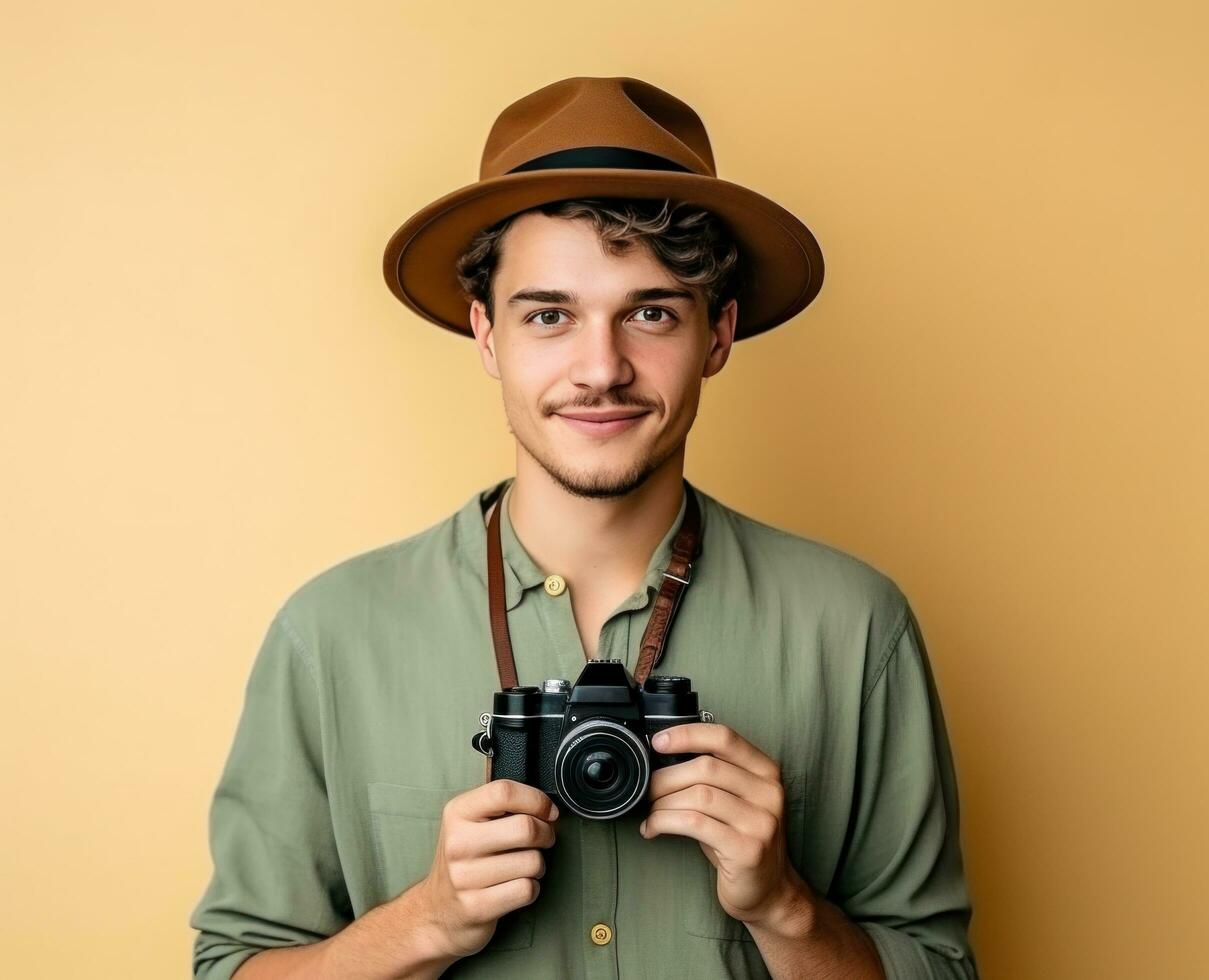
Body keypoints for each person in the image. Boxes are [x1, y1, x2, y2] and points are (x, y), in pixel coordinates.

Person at [190, 75, 979, 979]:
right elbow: (232, 969)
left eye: (649, 313)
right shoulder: (330, 634)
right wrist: (426, 921)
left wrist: (783, 906)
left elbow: (942, 968)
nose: (600, 369)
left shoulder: (852, 626)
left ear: (717, 334)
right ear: (487, 335)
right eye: (549, 316)